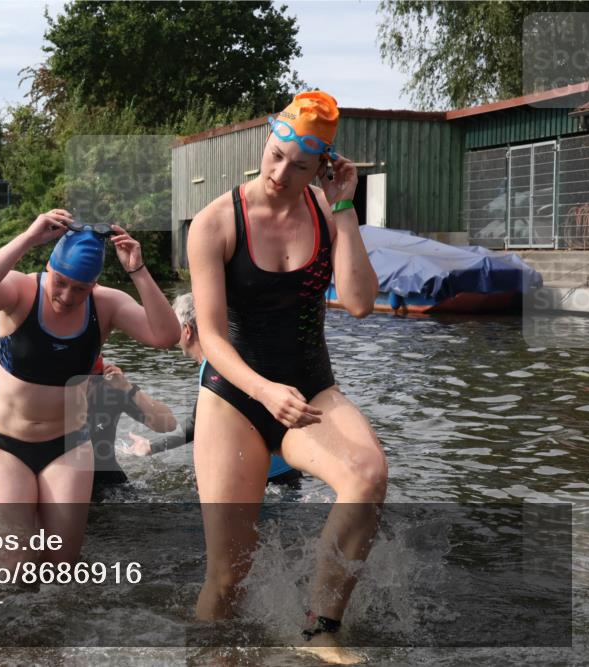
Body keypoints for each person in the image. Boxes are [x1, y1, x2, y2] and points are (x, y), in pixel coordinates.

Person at [187, 91, 384, 659]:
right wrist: (265, 391)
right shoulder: (216, 222)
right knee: (229, 578)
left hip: (310, 387)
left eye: (300, 166)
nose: (280, 172)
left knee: (367, 476)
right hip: (236, 396)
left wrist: (345, 208)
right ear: (264, 142)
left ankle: (319, 631)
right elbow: (213, 340)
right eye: (275, 155)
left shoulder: (326, 211)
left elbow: (361, 302)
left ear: (322, 166)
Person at [0, 210, 181, 564]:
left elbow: (167, 336)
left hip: (68, 446)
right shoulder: (20, 290)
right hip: (5, 446)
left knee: (61, 566)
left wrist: (137, 271)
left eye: (80, 288)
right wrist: (29, 237)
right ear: (49, 267)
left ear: (93, 285)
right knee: (12, 564)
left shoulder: (106, 305)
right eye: (59, 282)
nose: (65, 295)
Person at [128, 293, 302, 486]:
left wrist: (152, 447)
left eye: (174, 328)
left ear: (187, 330)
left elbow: (196, 425)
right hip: (287, 466)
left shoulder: (214, 367)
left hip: (262, 476)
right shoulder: (237, 356)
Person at [87, 354, 177, 499]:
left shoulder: (110, 390)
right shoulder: (55, 396)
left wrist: (128, 388)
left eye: (93, 380)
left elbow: (168, 424)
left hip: (108, 481)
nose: (87, 385)